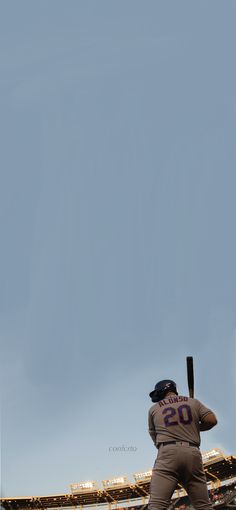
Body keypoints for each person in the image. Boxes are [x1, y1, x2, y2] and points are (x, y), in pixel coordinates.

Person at [148, 380, 217, 510]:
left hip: (168, 452)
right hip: (192, 452)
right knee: (204, 506)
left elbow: (155, 436)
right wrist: (194, 426)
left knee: (157, 505)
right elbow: (212, 420)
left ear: (161, 391)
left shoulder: (154, 409)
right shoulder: (193, 402)